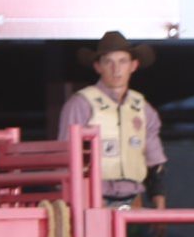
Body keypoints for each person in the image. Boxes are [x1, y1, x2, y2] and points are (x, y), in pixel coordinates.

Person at [59, 31, 167, 212]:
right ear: (98, 66)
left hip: (133, 201)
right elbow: (65, 156)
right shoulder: (81, 104)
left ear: (133, 65)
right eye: (109, 62)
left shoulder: (142, 108)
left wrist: (159, 201)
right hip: (93, 200)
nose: (116, 69)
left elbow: (155, 161)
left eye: (122, 61)